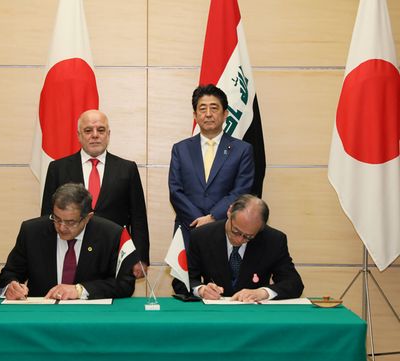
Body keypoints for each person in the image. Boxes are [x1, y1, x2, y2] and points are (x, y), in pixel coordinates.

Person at [41, 110, 149, 278]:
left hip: (114, 252)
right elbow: (47, 215)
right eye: (88, 130)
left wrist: (140, 257)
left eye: (100, 130)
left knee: (115, 299)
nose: (95, 135)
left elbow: (138, 217)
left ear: (108, 134)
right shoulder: (58, 168)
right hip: (71, 251)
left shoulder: (127, 169)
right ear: (78, 135)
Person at [0, 183, 135, 300]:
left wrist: (80, 290)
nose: (61, 227)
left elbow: (124, 284)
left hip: (90, 317)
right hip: (42, 316)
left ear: (87, 218)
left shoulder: (111, 235)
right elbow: (8, 274)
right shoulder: (32, 231)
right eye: (56, 218)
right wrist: (10, 287)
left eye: (70, 222)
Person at [168, 84, 255, 248]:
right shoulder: (180, 149)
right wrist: (198, 220)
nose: (208, 114)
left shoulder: (242, 150)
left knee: (222, 274)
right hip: (188, 229)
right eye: (202, 109)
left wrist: (212, 218)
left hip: (227, 230)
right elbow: (175, 191)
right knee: (186, 274)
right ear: (195, 115)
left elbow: (240, 191)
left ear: (225, 114)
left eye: (214, 108)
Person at [175, 194, 304, 302]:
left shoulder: (273, 240)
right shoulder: (202, 236)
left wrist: (263, 292)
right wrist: (201, 290)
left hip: (255, 316)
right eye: (235, 231)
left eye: (248, 236)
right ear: (229, 212)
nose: (239, 240)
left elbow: (294, 283)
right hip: (214, 316)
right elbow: (181, 281)